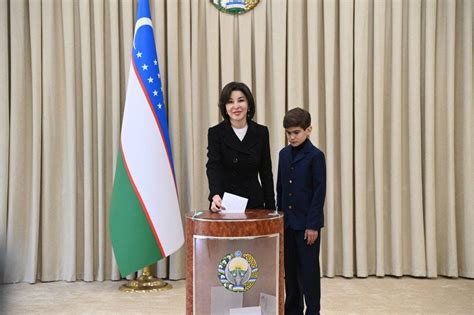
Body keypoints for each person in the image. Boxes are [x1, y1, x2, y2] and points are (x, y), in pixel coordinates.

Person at [276, 107, 326, 315]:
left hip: (307, 226)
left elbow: (318, 192)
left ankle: (313, 311)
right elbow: (280, 188)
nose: (292, 137)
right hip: (287, 224)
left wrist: (313, 225)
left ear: (309, 130)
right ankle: (292, 310)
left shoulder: (315, 156)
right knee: (290, 272)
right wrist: (279, 220)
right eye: (288, 133)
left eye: (296, 132)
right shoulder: (283, 154)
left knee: (309, 272)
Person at [206, 81, 275, 212]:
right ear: (225, 108)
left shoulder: (261, 132)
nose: (236, 106)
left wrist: (271, 209)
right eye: (230, 102)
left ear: (249, 105)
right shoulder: (216, 133)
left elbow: (266, 172)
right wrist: (215, 195)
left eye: (241, 100)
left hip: (254, 202)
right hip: (225, 203)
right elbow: (213, 166)